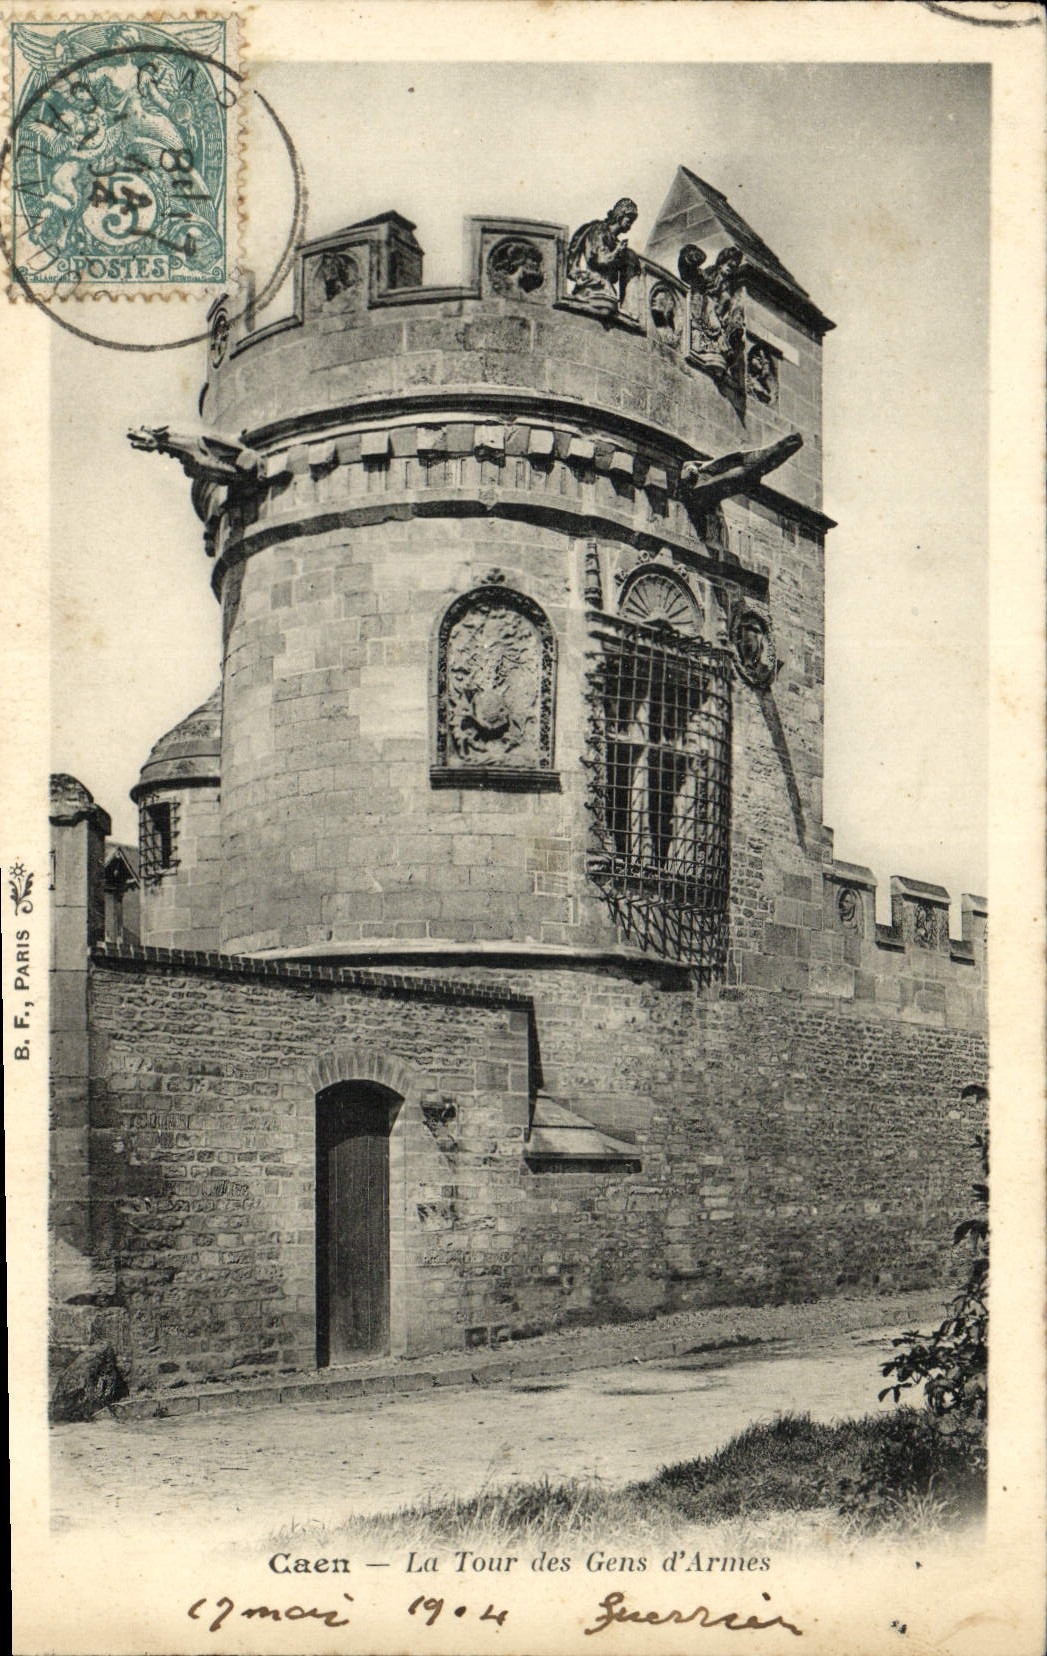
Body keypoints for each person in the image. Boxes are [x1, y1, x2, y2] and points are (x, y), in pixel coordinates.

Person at [566, 197, 639, 313]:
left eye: (632, 221)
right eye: (629, 219)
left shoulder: (614, 240)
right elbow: (600, 259)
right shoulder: (599, 230)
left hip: (607, 291)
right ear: (620, 215)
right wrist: (617, 251)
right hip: (594, 289)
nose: (630, 224)